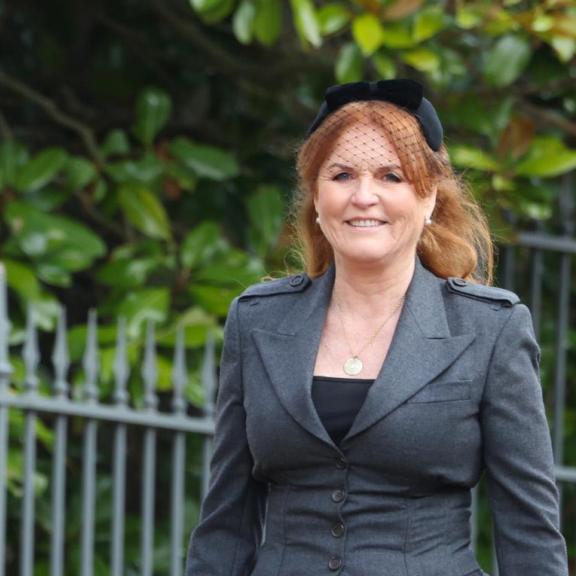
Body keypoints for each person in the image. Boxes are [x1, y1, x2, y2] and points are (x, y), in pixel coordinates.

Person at [186, 79, 566, 575]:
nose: (364, 196)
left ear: (429, 198)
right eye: (342, 175)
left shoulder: (491, 329)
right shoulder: (257, 320)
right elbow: (226, 519)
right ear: (317, 200)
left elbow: (529, 531)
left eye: (392, 176)